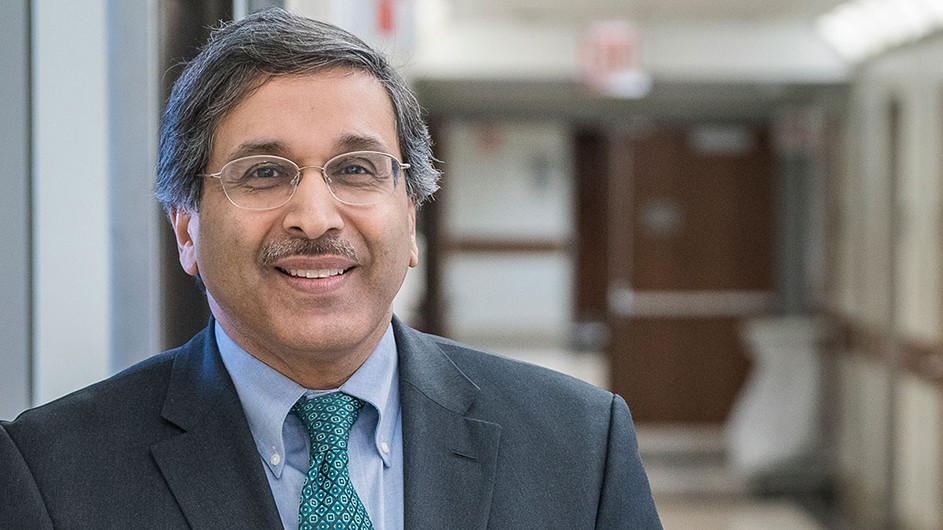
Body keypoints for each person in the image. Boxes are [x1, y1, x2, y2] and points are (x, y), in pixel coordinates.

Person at [0, 7, 661, 529]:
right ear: (185, 230)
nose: (314, 218)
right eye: (262, 173)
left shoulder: (577, 444)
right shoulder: (51, 473)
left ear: (410, 219)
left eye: (354, 170)